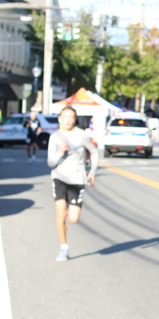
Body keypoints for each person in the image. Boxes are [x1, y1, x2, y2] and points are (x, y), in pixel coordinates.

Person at [47, 105, 98, 262]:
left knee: (73, 218)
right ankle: (64, 248)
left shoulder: (82, 135)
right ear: (59, 119)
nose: (68, 120)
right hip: (59, 177)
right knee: (60, 212)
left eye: (71, 117)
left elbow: (94, 152)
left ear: (75, 119)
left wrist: (92, 171)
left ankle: (70, 211)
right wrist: (60, 151)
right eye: (65, 117)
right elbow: (50, 162)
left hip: (77, 179)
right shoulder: (55, 137)